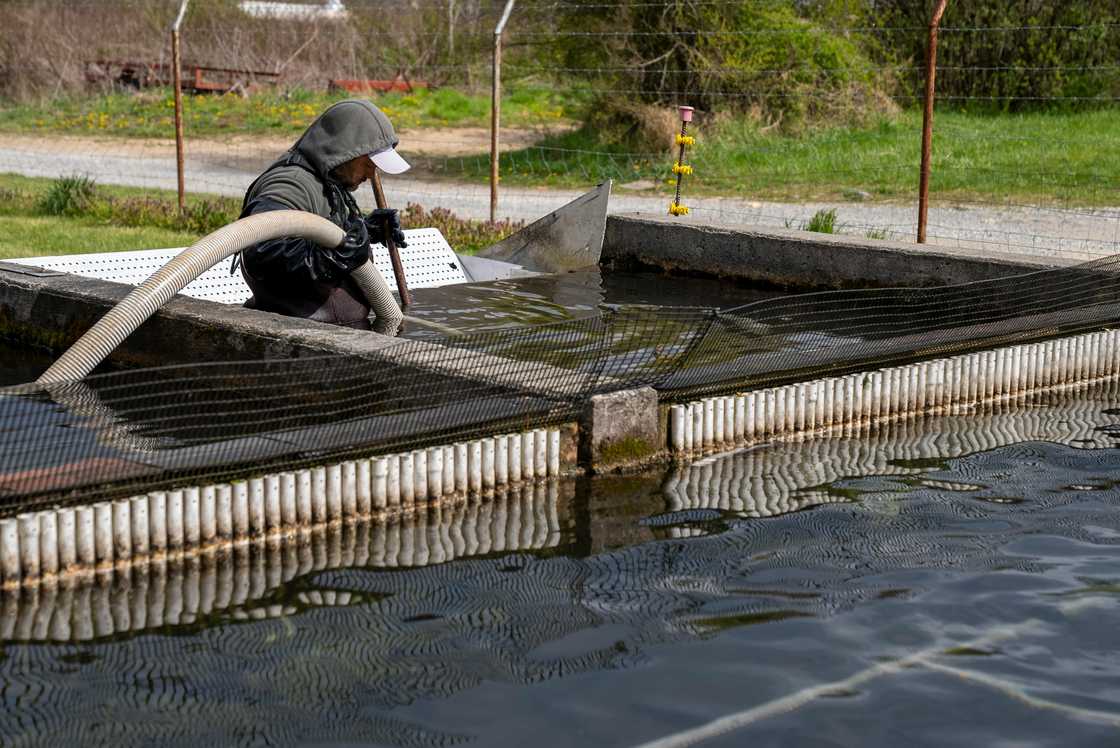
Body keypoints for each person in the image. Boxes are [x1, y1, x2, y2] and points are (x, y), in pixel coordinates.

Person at [235, 99, 410, 329]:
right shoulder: (291, 184)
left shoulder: (329, 182)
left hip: (339, 332)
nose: (372, 173)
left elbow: (320, 233)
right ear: (344, 151)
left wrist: (367, 230)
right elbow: (262, 252)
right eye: (369, 162)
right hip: (294, 337)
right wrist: (330, 258)